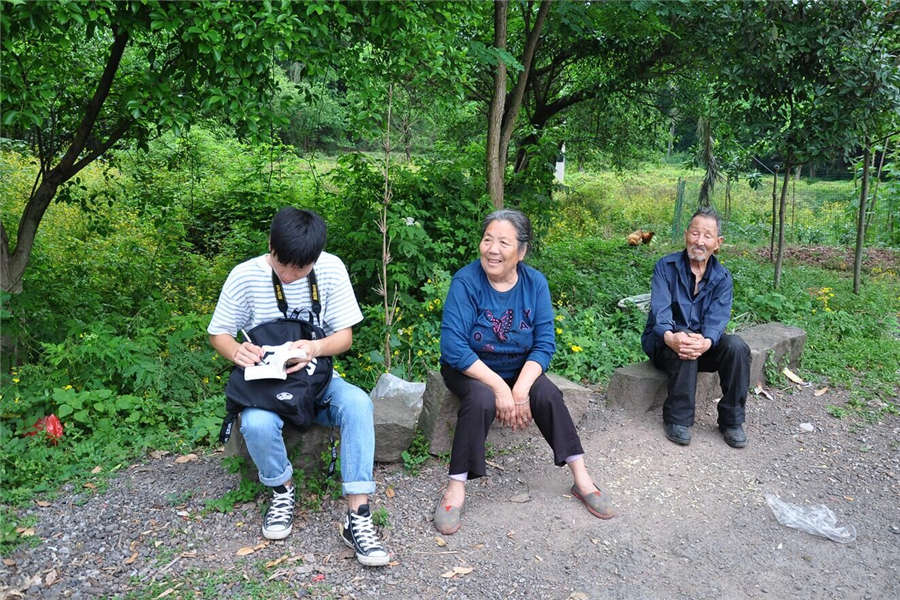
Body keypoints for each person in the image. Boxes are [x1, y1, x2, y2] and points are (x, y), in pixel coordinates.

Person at [207, 207, 389, 567]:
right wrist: (237, 351)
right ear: (270, 245)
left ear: (315, 259)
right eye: (282, 265)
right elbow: (218, 333)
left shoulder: (331, 269)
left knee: (357, 404)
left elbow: (345, 337)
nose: (289, 276)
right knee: (256, 423)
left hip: (316, 380)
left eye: (300, 269)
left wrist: (314, 348)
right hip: (265, 387)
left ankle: (358, 515)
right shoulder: (244, 276)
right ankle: (282, 491)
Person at [435, 208, 614, 535]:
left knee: (547, 393)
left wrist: (520, 390)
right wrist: (500, 389)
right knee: (480, 399)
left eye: (503, 242)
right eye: (487, 239)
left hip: (518, 367)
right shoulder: (466, 282)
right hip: (469, 368)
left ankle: (581, 478)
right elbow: (453, 347)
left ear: (522, 251)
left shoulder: (535, 284)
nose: (492, 249)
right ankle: (455, 489)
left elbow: (544, 343)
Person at [641, 206, 751, 448]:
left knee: (736, 347)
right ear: (686, 235)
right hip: (665, 343)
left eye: (707, 236)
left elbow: (718, 319)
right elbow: (661, 312)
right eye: (695, 233)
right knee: (686, 338)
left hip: (702, 345)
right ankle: (678, 419)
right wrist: (672, 337)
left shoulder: (722, 277)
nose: (699, 241)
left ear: (718, 242)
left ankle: (731, 421)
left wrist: (706, 342)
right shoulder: (665, 267)